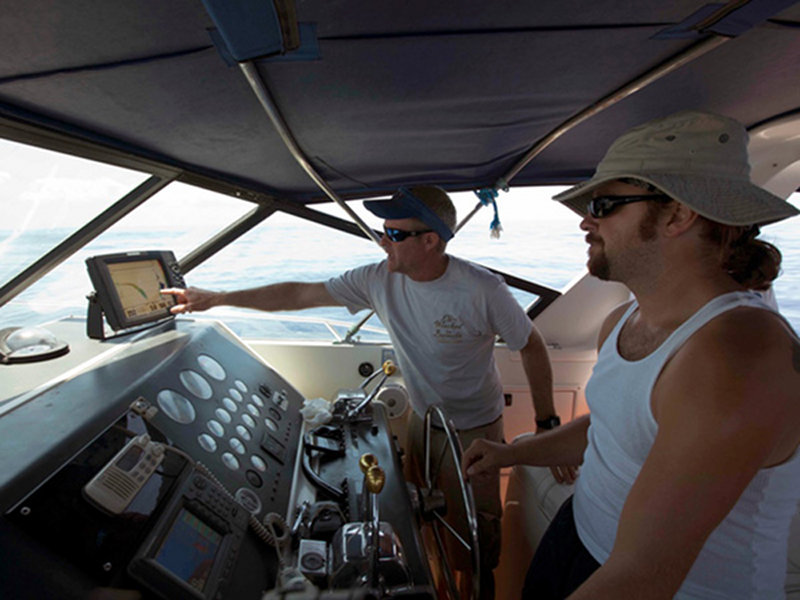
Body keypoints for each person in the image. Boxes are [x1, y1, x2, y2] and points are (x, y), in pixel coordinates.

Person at [462, 110, 800, 599]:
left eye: (603, 204)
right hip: (578, 538)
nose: (585, 221)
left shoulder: (736, 356)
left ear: (678, 214)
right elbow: (613, 429)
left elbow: (644, 575)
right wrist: (511, 454)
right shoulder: (623, 322)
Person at [161, 184, 558, 599]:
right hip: (425, 421)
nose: (384, 241)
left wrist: (546, 424)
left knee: (475, 541)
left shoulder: (482, 289)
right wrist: (215, 299)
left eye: (396, 234)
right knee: (424, 514)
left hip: (476, 429)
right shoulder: (376, 279)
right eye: (382, 231)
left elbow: (530, 344)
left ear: (431, 241)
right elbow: (300, 294)